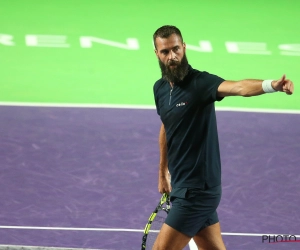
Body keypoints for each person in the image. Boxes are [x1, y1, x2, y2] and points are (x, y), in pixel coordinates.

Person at [152, 25, 294, 250]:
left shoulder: (200, 83)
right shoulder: (160, 89)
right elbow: (166, 126)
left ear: (184, 47)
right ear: (157, 54)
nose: (173, 56)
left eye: (176, 49)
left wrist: (272, 86)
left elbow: (239, 87)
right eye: (165, 52)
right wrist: (163, 171)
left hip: (197, 190)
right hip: (182, 185)